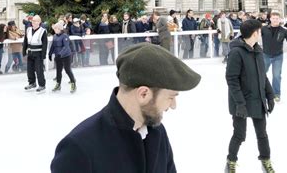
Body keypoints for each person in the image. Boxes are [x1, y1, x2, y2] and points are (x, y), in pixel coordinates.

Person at [51, 42, 201, 172]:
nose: (173, 106)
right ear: (143, 94)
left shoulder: (157, 132)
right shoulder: (78, 148)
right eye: (171, 97)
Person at [225, 20, 275, 172]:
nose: (261, 34)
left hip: (257, 98)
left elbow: (263, 76)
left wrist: (270, 95)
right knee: (239, 135)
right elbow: (232, 80)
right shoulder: (236, 52)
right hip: (240, 101)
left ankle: (265, 161)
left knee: (262, 134)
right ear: (255, 33)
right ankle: (231, 162)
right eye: (260, 32)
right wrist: (240, 103)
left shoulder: (258, 50)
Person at [261, 11, 287, 101]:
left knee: (276, 75)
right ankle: (261, 92)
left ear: (280, 20)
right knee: (261, 74)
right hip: (265, 55)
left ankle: (276, 94)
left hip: (277, 57)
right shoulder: (264, 29)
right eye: (273, 18)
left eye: (277, 19)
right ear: (270, 19)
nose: (275, 20)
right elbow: (254, 37)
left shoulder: (284, 31)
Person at [49, 22, 76, 93]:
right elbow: (53, 46)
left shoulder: (65, 36)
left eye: (56, 28)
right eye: (54, 28)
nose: (54, 29)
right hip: (58, 56)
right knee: (58, 71)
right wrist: (50, 53)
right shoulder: (54, 36)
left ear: (59, 29)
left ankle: (73, 83)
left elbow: (66, 47)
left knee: (67, 70)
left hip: (66, 56)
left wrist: (60, 54)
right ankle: (58, 84)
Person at [23, 15, 47, 92]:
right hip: (30, 53)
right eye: (33, 21)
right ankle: (32, 83)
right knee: (29, 69)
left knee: (39, 70)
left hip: (38, 54)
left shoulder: (43, 31)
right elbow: (25, 41)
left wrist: (43, 55)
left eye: (36, 21)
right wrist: (24, 51)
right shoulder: (28, 30)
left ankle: (42, 85)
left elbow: (45, 44)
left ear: (39, 22)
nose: (34, 22)